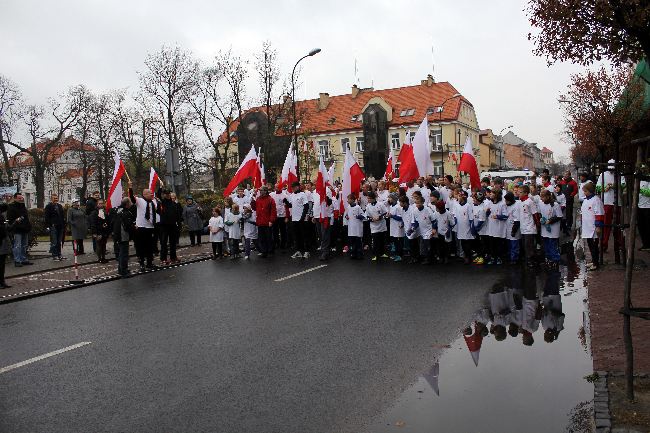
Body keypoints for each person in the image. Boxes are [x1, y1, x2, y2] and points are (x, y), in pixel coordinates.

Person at [128, 181, 159, 271]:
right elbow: (132, 198)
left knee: (150, 246)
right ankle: (142, 263)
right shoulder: (140, 201)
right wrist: (130, 188)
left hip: (150, 227)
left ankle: (149, 263)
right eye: (150, 193)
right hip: (141, 227)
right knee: (141, 246)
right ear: (144, 194)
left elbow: (156, 210)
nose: (151, 194)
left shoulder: (153, 202)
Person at [597, 160, 625, 253]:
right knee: (606, 224)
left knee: (618, 224)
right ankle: (604, 244)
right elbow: (597, 187)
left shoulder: (620, 174)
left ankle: (620, 244)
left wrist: (614, 186)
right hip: (606, 202)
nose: (612, 171)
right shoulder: (603, 175)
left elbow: (623, 185)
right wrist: (606, 188)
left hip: (617, 202)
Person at [581, 182, 604, 270]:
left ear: (590, 191)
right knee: (590, 245)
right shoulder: (586, 200)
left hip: (593, 228)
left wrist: (598, 226)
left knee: (594, 247)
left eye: (586, 191)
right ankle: (593, 261)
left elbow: (599, 214)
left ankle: (596, 263)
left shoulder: (596, 200)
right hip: (587, 227)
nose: (584, 193)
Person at [538, 189, 563, 268]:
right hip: (544, 228)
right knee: (546, 244)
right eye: (541, 197)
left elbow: (559, 216)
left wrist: (550, 220)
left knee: (552, 244)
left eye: (543, 197)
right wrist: (541, 218)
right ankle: (548, 258)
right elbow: (539, 213)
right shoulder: (541, 203)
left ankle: (555, 259)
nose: (541, 199)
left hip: (553, 229)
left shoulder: (555, 205)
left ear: (548, 196)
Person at [7, 192, 32, 267]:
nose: (21, 199)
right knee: (17, 245)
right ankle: (17, 260)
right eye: (19, 198)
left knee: (24, 245)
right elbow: (10, 219)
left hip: (24, 228)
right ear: (15, 198)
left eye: (21, 198)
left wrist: (28, 226)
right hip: (17, 229)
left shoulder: (23, 206)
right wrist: (15, 222)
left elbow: (26, 217)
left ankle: (23, 259)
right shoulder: (11, 207)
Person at [285, 181, 309, 259]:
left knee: (304, 235)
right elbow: (291, 205)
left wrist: (302, 217)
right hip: (294, 219)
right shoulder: (292, 195)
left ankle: (306, 251)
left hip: (301, 219)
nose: (293, 189)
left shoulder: (303, 194)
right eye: (292, 187)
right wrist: (285, 202)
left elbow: (306, 206)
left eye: (294, 187)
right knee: (296, 236)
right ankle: (298, 251)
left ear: (298, 187)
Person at [409, 195, 435, 265]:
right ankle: (425, 257)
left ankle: (428, 259)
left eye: (418, 203)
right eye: (416, 203)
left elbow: (433, 220)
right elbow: (415, 222)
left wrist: (434, 229)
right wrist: (412, 229)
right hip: (421, 230)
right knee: (423, 245)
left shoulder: (428, 210)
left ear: (422, 203)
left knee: (427, 244)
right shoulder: (415, 211)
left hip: (429, 230)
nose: (417, 205)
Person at [157, 188, 181, 265]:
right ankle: (163, 258)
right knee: (164, 243)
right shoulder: (162, 203)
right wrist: (160, 188)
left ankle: (173, 257)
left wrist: (178, 224)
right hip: (164, 226)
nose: (167, 195)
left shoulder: (174, 203)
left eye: (168, 193)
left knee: (173, 242)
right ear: (164, 194)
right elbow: (158, 196)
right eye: (166, 194)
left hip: (173, 225)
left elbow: (177, 214)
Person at [112, 197, 134, 278]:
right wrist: (134, 227)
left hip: (117, 234)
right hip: (123, 234)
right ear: (127, 203)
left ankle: (121, 269)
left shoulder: (117, 210)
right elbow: (128, 225)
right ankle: (123, 271)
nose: (131, 204)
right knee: (124, 253)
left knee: (121, 252)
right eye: (130, 202)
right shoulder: (126, 212)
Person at [253, 186, 277, 258]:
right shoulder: (258, 199)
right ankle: (264, 251)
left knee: (269, 237)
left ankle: (271, 249)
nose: (260, 192)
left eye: (261, 190)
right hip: (260, 221)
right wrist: (252, 202)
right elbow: (255, 208)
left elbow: (273, 211)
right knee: (262, 238)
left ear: (265, 191)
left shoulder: (270, 200)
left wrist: (271, 220)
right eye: (260, 190)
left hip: (267, 222)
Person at [365, 191, 388, 261]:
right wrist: (372, 219)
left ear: (373, 198)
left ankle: (382, 253)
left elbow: (386, 213)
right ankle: (375, 254)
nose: (368, 200)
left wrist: (379, 218)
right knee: (375, 241)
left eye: (369, 198)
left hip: (382, 225)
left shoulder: (381, 204)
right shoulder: (368, 206)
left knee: (382, 240)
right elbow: (367, 216)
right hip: (374, 226)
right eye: (367, 198)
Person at [44, 193, 66, 261]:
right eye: (54, 198)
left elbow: (62, 216)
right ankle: (54, 255)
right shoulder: (48, 206)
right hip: (53, 226)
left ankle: (59, 254)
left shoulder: (59, 206)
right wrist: (50, 224)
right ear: (51, 199)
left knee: (59, 242)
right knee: (54, 242)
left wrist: (63, 224)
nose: (56, 200)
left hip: (60, 226)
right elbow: (47, 217)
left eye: (56, 198)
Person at [89, 198, 111, 263]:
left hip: (104, 231)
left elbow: (107, 220)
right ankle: (99, 258)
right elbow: (93, 223)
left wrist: (107, 227)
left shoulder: (104, 211)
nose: (101, 205)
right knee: (99, 245)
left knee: (104, 245)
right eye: (100, 203)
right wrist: (95, 233)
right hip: (98, 231)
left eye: (102, 203)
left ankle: (103, 257)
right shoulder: (94, 213)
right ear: (97, 204)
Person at [344, 194, 364, 259]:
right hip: (351, 227)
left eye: (349, 199)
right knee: (352, 241)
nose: (347, 201)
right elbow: (346, 214)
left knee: (358, 241)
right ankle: (353, 253)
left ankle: (360, 253)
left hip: (357, 227)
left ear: (353, 200)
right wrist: (346, 216)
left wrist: (359, 216)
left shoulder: (358, 207)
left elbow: (363, 215)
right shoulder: (348, 207)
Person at [388, 193, 405, 262]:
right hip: (393, 226)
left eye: (390, 198)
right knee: (395, 241)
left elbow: (401, 217)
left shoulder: (398, 207)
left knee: (399, 242)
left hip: (398, 227)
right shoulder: (391, 206)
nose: (389, 199)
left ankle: (400, 255)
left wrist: (391, 216)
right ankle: (396, 254)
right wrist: (388, 215)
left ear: (394, 198)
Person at [505, 192, 521, 265]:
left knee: (514, 245)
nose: (506, 202)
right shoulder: (507, 206)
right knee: (509, 245)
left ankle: (514, 259)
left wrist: (514, 231)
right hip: (508, 228)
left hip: (514, 228)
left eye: (507, 200)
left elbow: (517, 220)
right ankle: (510, 257)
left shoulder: (516, 206)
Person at [270, 186, 288, 250]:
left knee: (283, 231)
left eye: (278, 187)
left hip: (282, 216)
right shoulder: (271, 195)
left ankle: (283, 244)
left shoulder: (285, 195)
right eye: (275, 187)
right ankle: (276, 243)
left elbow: (287, 207)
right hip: (274, 216)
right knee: (275, 231)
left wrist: (286, 217)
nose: (276, 188)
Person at [0, 203, 13, 288]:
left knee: (2, 263)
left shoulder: (2, 216)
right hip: (1, 240)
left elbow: (7, 228)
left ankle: (2, 281)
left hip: (2, 240)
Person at [639, 178, 650, 251]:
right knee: (641, 226)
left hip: (648, 207)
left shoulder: (648, 180)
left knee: (648, 226)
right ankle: (645, 244)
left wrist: (639, 190)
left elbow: (649, 192)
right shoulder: (639, 180)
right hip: (640, 206)